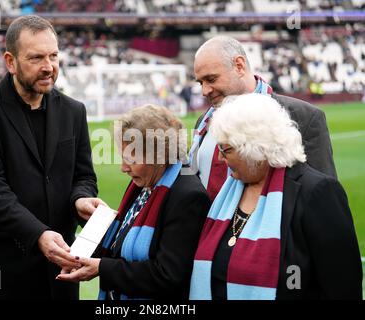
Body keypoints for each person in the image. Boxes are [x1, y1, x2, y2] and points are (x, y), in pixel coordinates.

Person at [0, 15, 104, 299]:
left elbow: (83, 176)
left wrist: (81, 199)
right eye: (36, 58)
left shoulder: (74, 111)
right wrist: (38, 234)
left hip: (59, 271)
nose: (48, 67)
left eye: (53, 56)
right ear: (10, 62)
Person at [189, 93, 362, 300]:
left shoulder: (316, 192)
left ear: (255, 148)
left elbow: (342, 286)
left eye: (226, 150)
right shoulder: (231, 190)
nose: (220, 158)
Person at [57, 104, 211, 300]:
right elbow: (121, 246)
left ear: (160, 154)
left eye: (131, 159)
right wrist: (95, 227)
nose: (123, 168)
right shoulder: (145, 184)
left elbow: (168, 275)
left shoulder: (188, 196)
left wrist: (102, 268)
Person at [189, 36, 337, 200]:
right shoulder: (204, 122)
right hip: (209, 226)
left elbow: (323, 195)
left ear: (239, 66)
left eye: (211, 79)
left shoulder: (304, 117)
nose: (204, 91)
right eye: (200, 82)